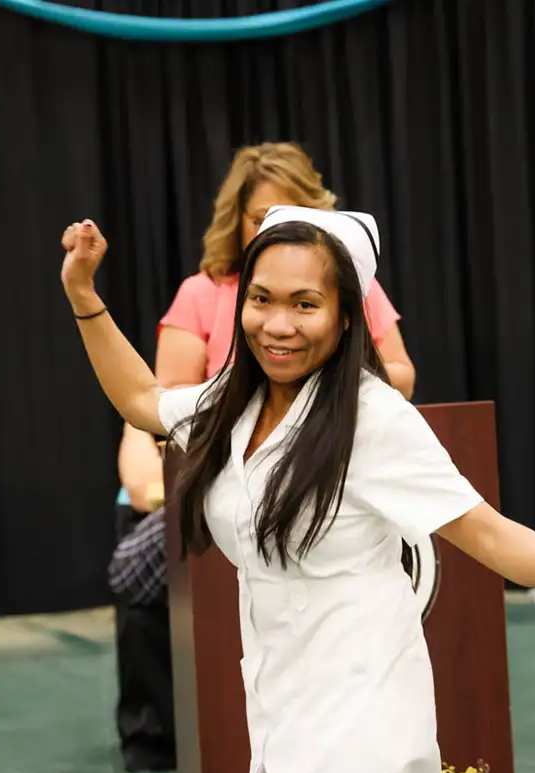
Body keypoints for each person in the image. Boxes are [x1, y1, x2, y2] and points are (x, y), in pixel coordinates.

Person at [60, 207, 535, 773]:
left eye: (304, 304)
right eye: (261, 299)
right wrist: (82, 291)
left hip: (364, 696)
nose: (277, 324)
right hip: (276, 685)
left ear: (346, 318)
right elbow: (141, 399)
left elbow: (481, 528)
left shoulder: (374, 418)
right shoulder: (234, 400)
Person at [116, 141, 414, 515]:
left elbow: (402, 376)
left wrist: (318, 387)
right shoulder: (200, 293)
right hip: (219, 485)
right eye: (262, 218)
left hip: (328, 473)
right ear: (234, 221)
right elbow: (169, 403)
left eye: (304, 305)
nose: (278, 229)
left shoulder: (354, 289)